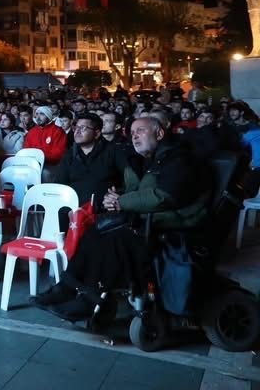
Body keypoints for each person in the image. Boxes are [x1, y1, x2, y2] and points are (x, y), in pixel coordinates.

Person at [34, 117, 210, 321]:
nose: (134, 136)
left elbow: (165, 196)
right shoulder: (154, 159)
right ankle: (67, 287)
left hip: (174, 227)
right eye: (132, 132)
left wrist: (122, 202)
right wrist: (117, 196)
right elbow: (141, 190)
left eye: (140, 131)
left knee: (113, 238)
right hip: (150, 220)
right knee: (94, 230)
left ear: (160, 134)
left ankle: (90, 301)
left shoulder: (179, 159)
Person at [51, 113, 127, 207]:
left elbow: (127, 181)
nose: (77, 131)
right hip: (73, 209)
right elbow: (59, 183)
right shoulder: (70, 154)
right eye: (76, 127)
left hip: (104, 209)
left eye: (83, 128)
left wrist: (118, 195)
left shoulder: (113, 151)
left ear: (97, 133)